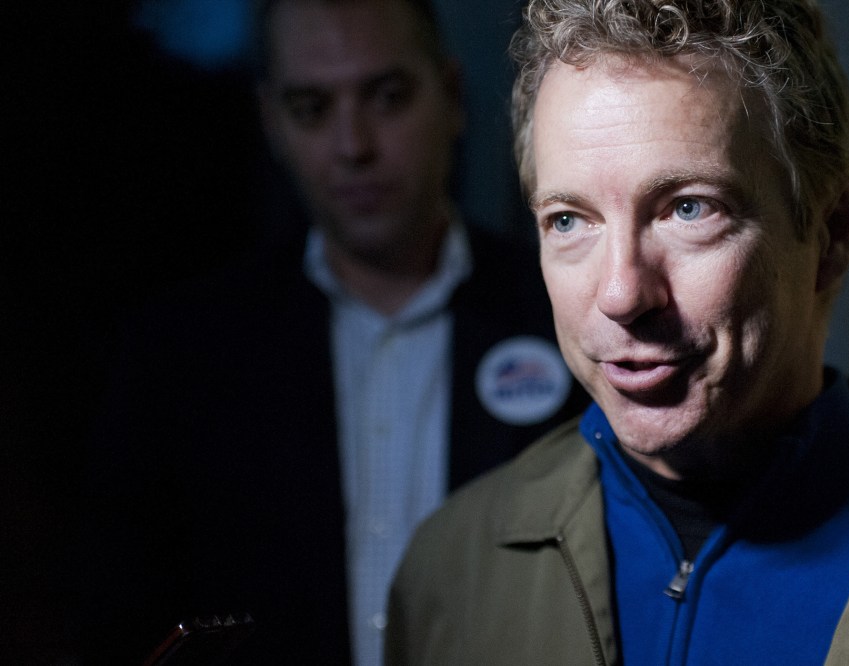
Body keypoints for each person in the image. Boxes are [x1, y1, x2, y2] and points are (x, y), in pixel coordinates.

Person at [386, 0, 849, 664]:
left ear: (833, 229)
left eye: (688, 209)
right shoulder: (450, 570)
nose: (621, 293)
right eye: (569, 220)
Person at [76, 0, 585, 663]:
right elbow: (124, 613)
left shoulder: (566, 314)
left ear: (452, 96)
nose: (353, 146)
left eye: (388, 96)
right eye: (312, 108)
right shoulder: (187, 355)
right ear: (273, 123)